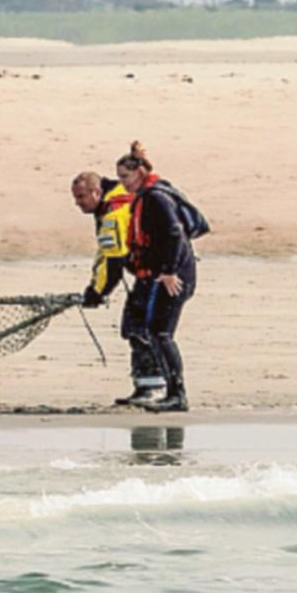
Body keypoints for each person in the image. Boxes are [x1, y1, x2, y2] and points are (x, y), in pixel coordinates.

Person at [116, 141, 196, 411]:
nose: (123, 183)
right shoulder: (149, 193)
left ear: (139, 173)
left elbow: (175, 234)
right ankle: (172, 392)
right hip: (166, 274)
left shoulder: (155, 198)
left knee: (161, 333)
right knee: (155, 332)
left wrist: (169, 272)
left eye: (125, 177)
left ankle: (177, 395)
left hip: (174, 276)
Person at [70, 170, 132, 310]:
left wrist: (97, 293)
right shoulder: (114, 197)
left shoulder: (113, 215)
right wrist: (95, 285)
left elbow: (114, 265)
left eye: (81, 197)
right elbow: (105, 252)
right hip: (161, 271)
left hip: (168, 275)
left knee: (138, 328)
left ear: (96, 192)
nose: (77, 203)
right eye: (75, 197)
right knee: (134, 323)